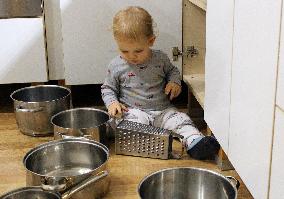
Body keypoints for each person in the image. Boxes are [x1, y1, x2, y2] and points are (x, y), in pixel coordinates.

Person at [101, 6, 220, 160]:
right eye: (124, 51)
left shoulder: (160, 59)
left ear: (151, 41)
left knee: (181, 120)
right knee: (127, 121)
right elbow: (108, 88)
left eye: (138, 51)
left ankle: (195, 143)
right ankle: (123, 134)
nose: (132, 56)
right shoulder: (116, 65)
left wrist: (174, 82)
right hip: (134, 111)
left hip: (163, 110)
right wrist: (112, 103)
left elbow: (173, 71)